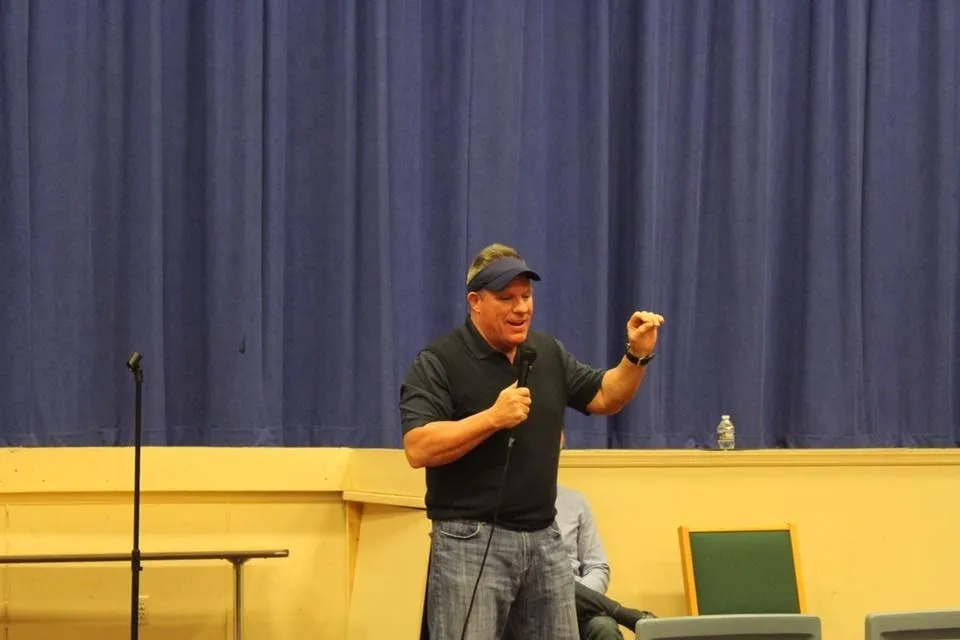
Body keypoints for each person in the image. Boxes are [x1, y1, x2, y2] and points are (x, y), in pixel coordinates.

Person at [399, 243, 664, 640]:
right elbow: (419, 446)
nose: (521, 308)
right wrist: (492, 418)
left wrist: (636, 357)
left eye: (526, 296)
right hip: (469, 539)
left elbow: (606, 396)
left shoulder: (547, 353)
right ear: (475, 302)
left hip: (544, 536)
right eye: (506, 298)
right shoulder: (439, 361)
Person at [555, 433, 656, 639]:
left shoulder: (575, 502)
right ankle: (626, 615)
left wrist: (581, 598)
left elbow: (597, 566)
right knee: (547, 582)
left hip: (579, 607)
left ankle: (619, 614)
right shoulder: (506, 503)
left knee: (603, 627)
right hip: (528, 603)